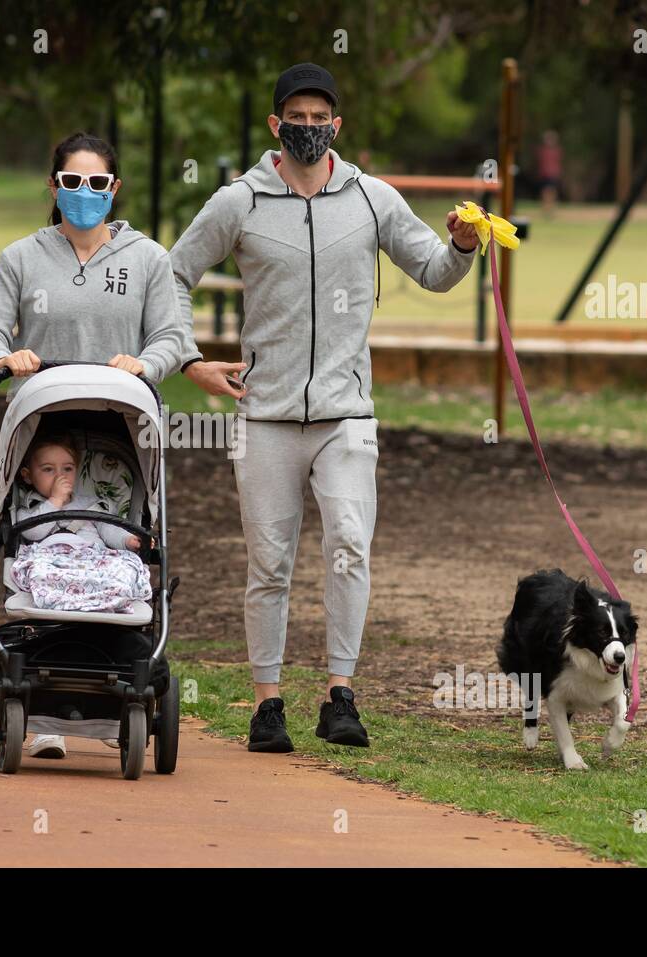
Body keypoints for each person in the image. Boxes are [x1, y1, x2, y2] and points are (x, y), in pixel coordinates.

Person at [172, 63, 479, 753]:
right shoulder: (240, 202)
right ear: (276, 124)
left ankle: (341, 694)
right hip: (267, 416)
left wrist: (462, 244)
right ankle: (267, 702)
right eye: (297, 117)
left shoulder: (370, 198)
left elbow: (432, 269)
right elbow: (173, 273)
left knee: (348, 545)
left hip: (346, 415)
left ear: (337, 124)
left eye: (321, 117)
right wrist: (190, 360)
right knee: (269, 563)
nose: (309, 128)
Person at [0, 131, 195, 759]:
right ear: (54, 186)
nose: (84, 194)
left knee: (109, 533)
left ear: (114, 189)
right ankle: (36, 699)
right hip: (43, 421)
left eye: (98, 184)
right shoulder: (23, 257)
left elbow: (174, 334)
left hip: (120, 425)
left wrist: (146, 364)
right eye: (72, 183)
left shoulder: (148, 259)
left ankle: (118, 663)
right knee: (40, 534)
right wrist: (3, 356)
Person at [9, 435, 151, 614]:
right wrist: (55, 500)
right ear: (27, 476)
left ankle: (105, 599)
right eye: (48, 470)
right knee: (38, 571)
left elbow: (110, 529)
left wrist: (128, 540)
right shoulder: (30, 509)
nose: (60, 476)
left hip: (93, 560)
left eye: (67, 468)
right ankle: (63, 601)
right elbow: (32, 533)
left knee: (121, 568)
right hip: (52, 562)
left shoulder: (93, 503)